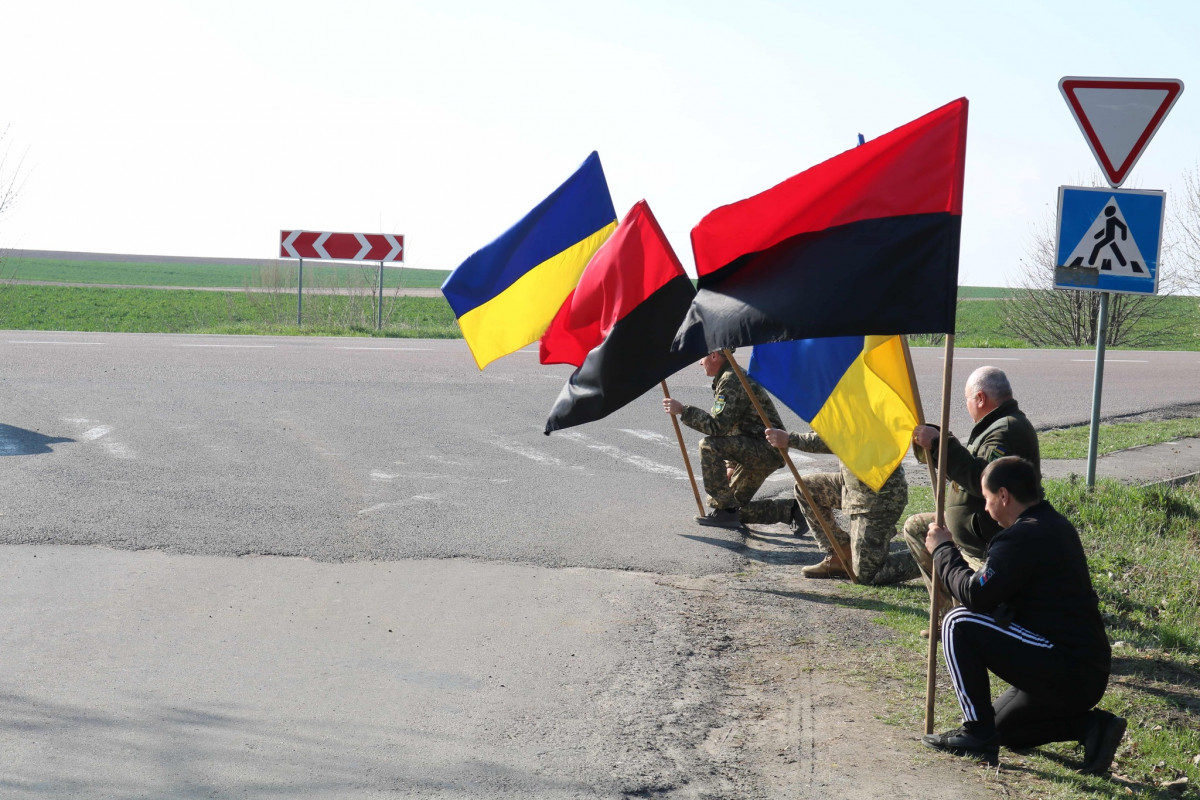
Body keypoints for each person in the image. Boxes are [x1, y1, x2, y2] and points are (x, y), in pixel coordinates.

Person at [921, 456, 1124, 774]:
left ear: (1003, 495)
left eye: (987, 498)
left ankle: (976, 735)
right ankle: (1093, 727)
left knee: (958, 622)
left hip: (1066, 664)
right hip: (1081, 670)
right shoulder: (1049, 524)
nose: (986, 507)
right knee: (1004, 729)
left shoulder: (1024, 536)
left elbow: (975, 595)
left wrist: (942, 550)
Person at [902, 366, 1040, 587]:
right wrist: (938, 449)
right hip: (971, 532)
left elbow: (982, 480)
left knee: (924, 533)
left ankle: (958, 598)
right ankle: (946, 601)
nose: (966, 405)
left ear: (980, 398)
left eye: (967, 399)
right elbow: (967, 470)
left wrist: (940, 444)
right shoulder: (994, 425)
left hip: (985, 545)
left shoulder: (1006, 430)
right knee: (916, 527)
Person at [740, 428, 918, 584]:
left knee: (867, 575)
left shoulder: (869, 409)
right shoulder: (851, 407)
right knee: (807, 488)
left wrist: (790, 439)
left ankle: (930, 557)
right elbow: (832, 431)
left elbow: (842, 440)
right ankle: (840, 552)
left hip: (878, 498)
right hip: (852, 487)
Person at [663, 348, 784, 529]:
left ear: (714, 355)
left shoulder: (731, 379)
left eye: (702, 357)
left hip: (765, 448)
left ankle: (725, 511)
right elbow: (734, 425)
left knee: (709, 446)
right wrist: (730, 465)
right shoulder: (729, 375)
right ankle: (792, 510)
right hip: (760, 447)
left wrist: (683, 411)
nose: (700, 363)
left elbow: (717, 427)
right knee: (736, 507)